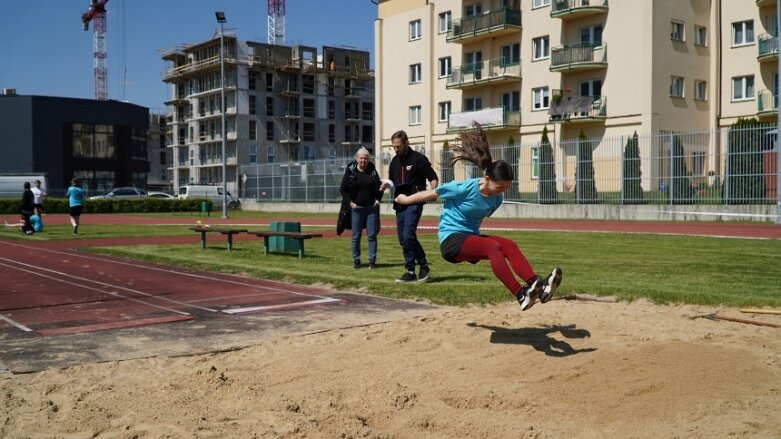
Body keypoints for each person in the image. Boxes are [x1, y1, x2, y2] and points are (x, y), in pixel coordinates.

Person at [394, 124, 562, 311]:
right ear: (488, 179)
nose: (503, 191)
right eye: (501, 186)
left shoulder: (497, 199)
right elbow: (430, 194)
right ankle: (519, 294)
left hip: (469, 238)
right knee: (494, 247)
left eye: (507, 187)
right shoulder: (464, 188)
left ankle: (537, 286)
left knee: (509, 245)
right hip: (451, 240)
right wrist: (406, 199)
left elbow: (477, 218)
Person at [386, 130, 439, 283]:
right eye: (394, 147)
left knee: (409, 235)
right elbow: (392, 181)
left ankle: (423, 266)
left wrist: (432, 190)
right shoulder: (394, 161)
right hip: (400, 203)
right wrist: (386, 185)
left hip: (414, 203)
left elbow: (432, 177)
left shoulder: (419, 159)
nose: (396, 149)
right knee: (402, 239)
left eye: (399, 146)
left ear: (406, 143)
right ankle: (410, 271)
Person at [340, 147, 384, 269]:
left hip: (371, 209)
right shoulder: (351, 172)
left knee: (372, 235)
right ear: (357, 159)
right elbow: (343, 190)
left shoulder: (373, 171)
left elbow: (378, 188)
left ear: (368, 159)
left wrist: (378, 199)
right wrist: (350, 202)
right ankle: (356, 260)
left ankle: (372, 260)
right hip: (357, 208)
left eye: (365, 158)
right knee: (356, 236)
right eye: (361, 158)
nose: (363, 160)